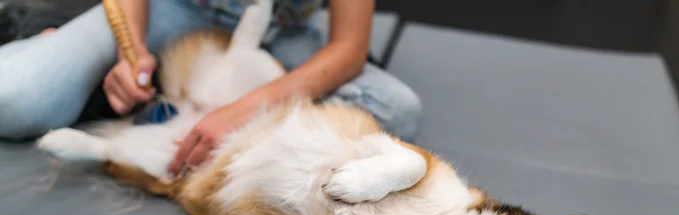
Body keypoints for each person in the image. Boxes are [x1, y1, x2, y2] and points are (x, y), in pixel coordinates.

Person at [0, 0, 422, 176]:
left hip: (282, 31)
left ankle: (195, 105)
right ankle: (37, 34)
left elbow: (349, 48)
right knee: (15, 98)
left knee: (396, 110)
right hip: (176, 9)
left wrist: (245, 109)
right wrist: (133, 50)